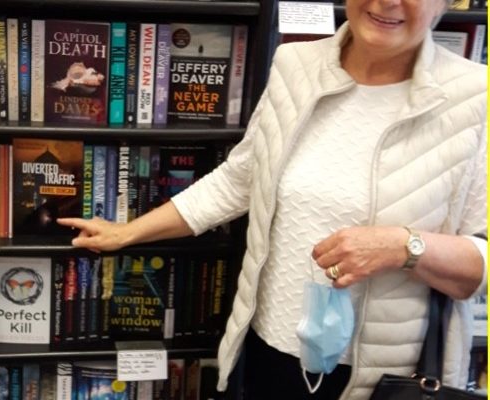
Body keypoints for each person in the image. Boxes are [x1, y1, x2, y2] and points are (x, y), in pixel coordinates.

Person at [58, 0, 487, 398]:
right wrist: (127, 232)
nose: (386, 2)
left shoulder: (475, 97)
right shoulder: (295, 65)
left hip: (384, 380)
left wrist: (405, 247)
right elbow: (240, 180)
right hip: (269, 349)